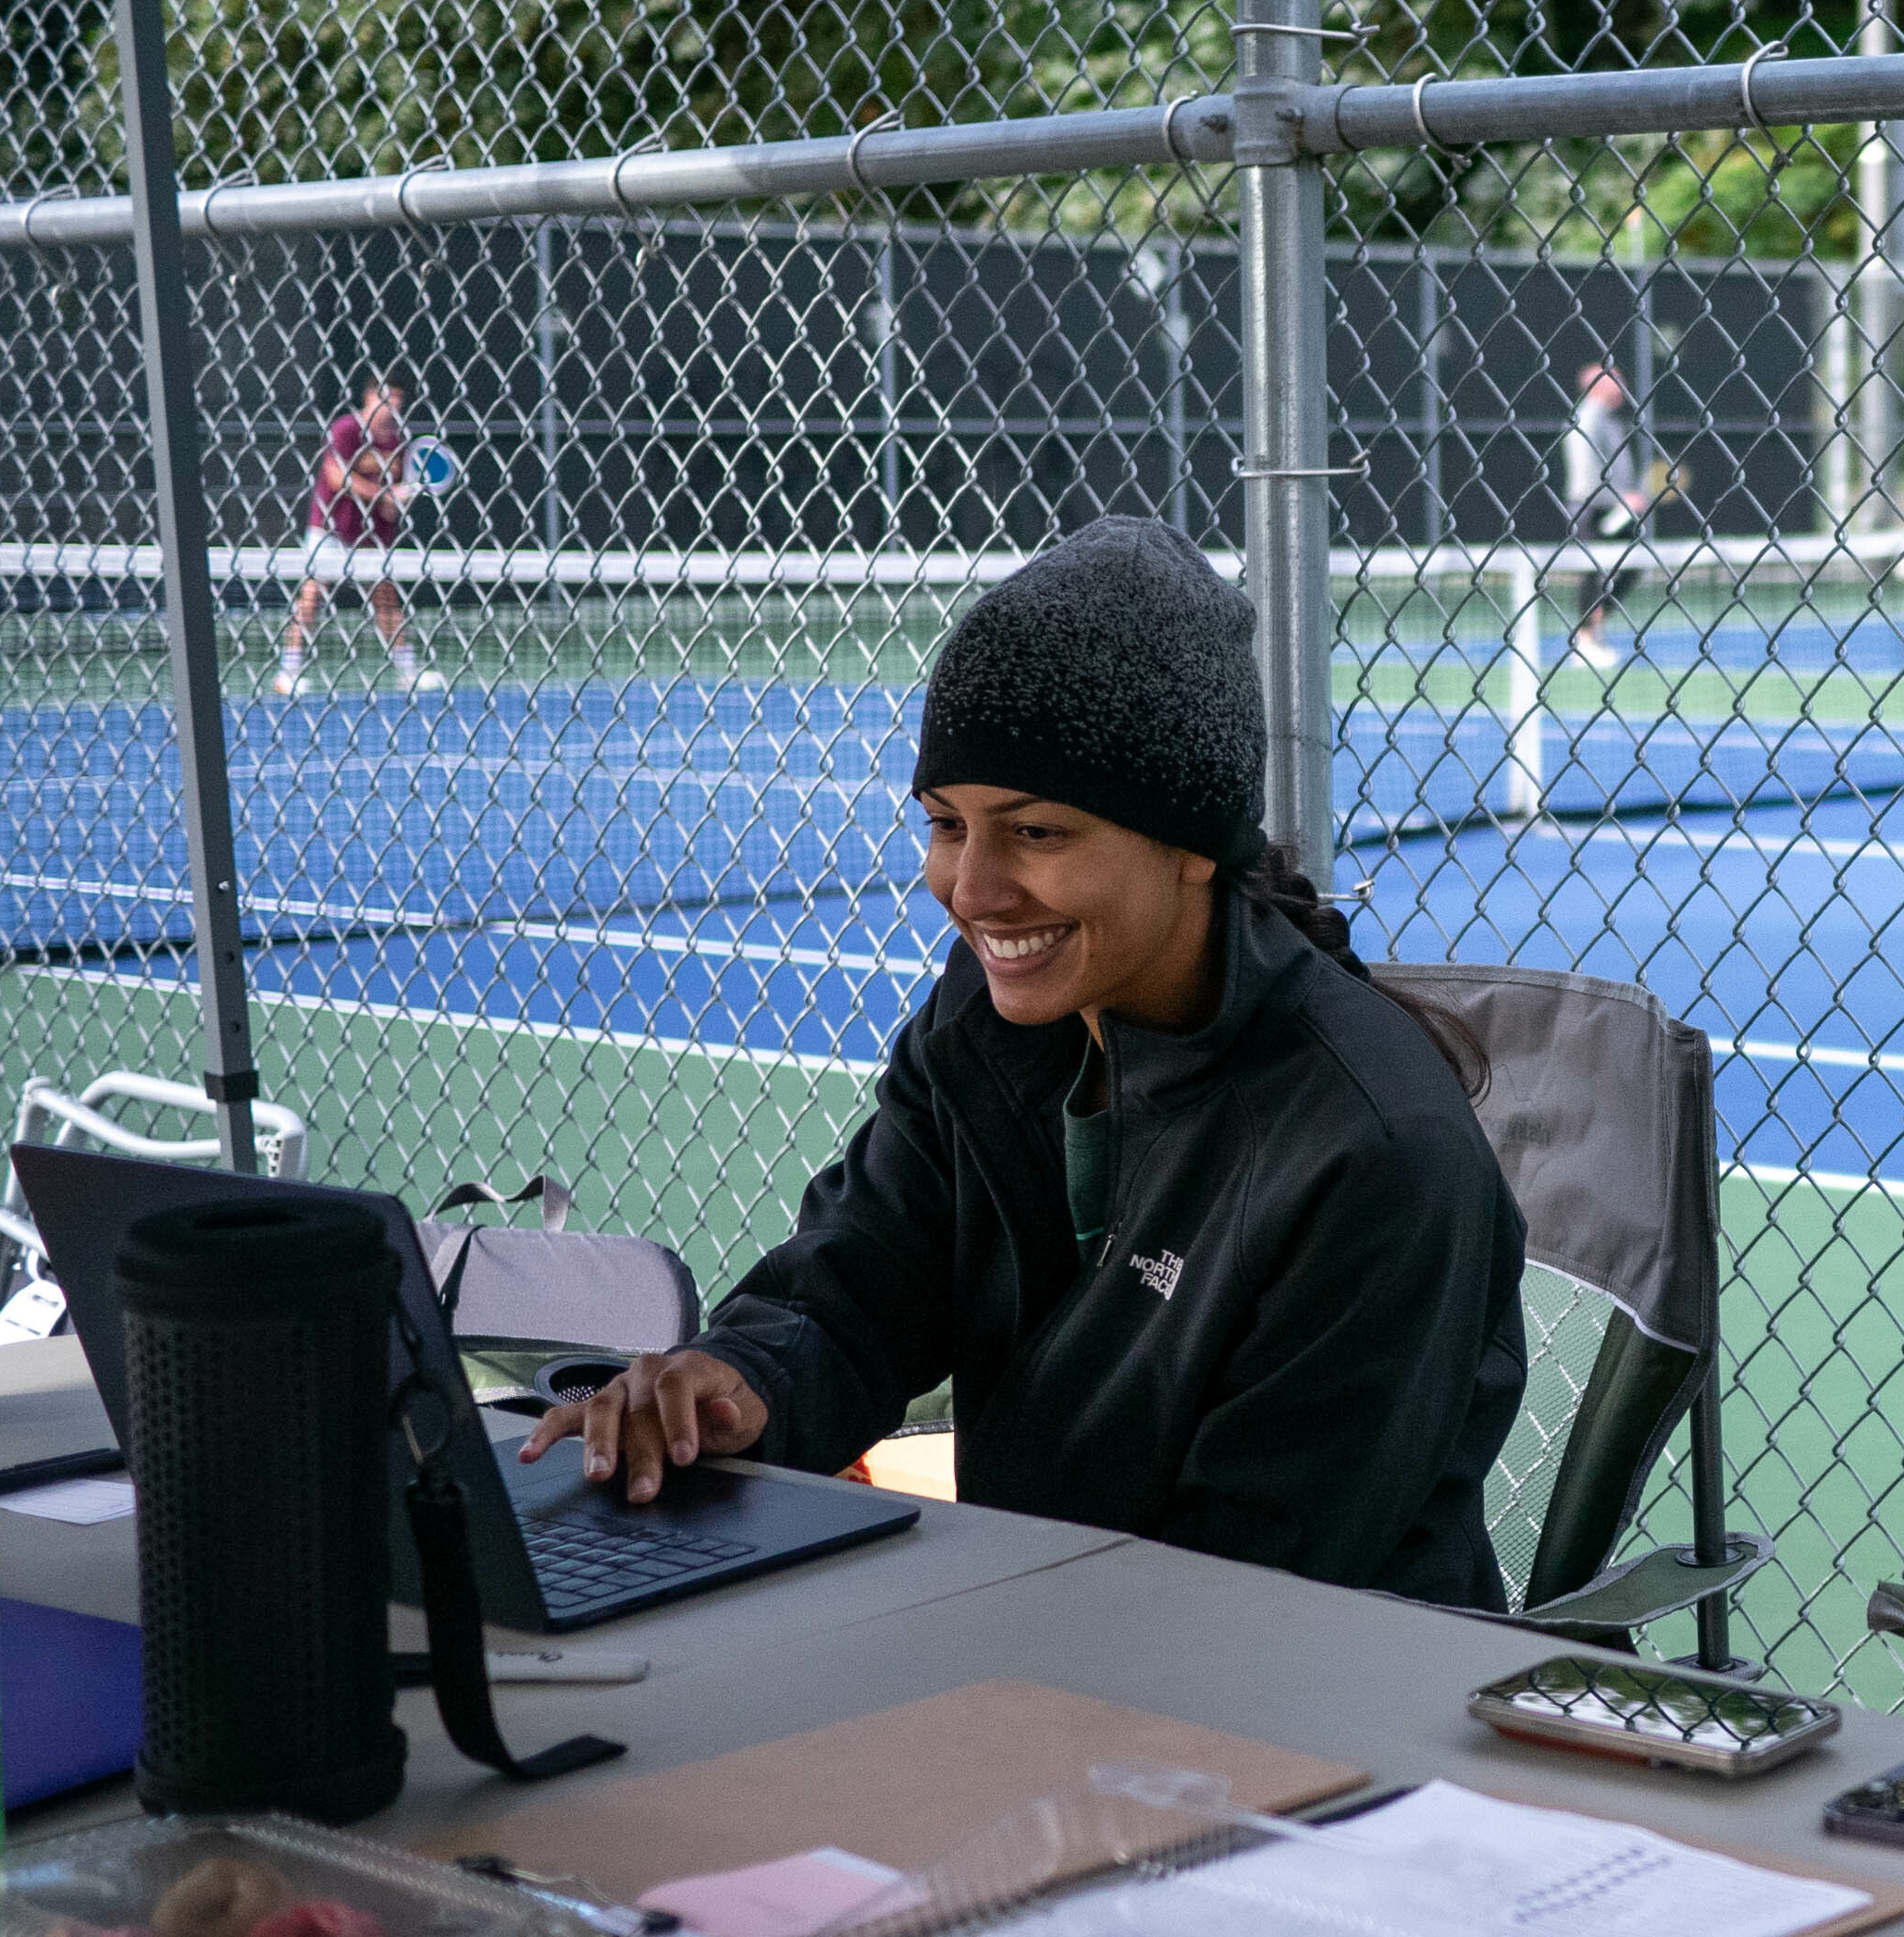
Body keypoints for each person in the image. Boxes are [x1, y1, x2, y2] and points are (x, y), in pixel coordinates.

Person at [522, 515, 1532, 1609]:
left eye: (1036, 833)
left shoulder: (1373, 1156)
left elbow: (1250, 1594)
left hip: (1310, 1715)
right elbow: (861, 1283)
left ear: (1193, 840)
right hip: (1051, 1635)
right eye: (947, 824)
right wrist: (744, 1381)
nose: (972, 888)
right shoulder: (989, 1024)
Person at [276, 371, 444, 695]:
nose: (390, 407)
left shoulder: (397, 443)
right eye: (385, 399)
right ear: (369, 397)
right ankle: (288, 672)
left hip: (371, 538)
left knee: (386, 600)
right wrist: (384, 495)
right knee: (311, 596)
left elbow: (388, 504)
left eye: (396, 401)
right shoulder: (346, 430)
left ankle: (406, 672)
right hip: (330, 529)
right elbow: (338, 478)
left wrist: (393, 503)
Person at [1561, 360, 1648, 667]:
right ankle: (1585, 640)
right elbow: (1588, 473)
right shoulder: (1587, 418)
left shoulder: (1608, 419)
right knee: (1592, 571)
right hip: (1591, 508)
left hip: (1612, 508)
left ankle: (1592, 627)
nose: (1622, 385)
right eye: (1615, 379)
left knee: (1632, 563)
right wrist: (1619, 498)